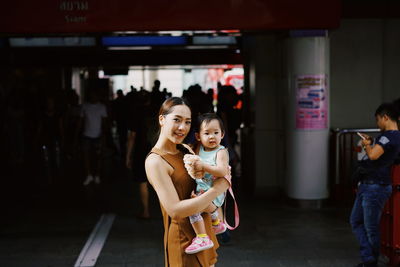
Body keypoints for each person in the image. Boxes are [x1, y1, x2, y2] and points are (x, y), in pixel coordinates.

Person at [145, 97, 230, 267]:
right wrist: (217, 189)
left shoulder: (187, 150)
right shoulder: (155, 161)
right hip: (184, 243)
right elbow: (175, 210)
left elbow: (207, 185)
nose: (182, 127)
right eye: (176, 120)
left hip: (205, 236)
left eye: (188, 122)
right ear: (162, 119)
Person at [350, 102, 400, 267]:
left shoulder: (388, 136)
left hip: (374, 187)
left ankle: (370, 262)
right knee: (356, 221)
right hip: (370, 185)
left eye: (378, 120)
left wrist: (366, 145)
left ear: (385, 117)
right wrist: (371, 143)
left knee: (370, 227)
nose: (377, 124)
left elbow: (372, 156)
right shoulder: (394, 137)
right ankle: (369, 259)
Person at [184, 113, 229, 254]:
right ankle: (216, 222)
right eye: (207, 133)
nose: (212, 137)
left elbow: (222, 171)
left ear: (222, 134)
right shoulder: (199, 149)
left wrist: (203, 165)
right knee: (195, 203)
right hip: (203, 190)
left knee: (193, 209)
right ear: (198, 136)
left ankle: (202, 238)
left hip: (215, 194)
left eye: (216, 132)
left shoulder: (221, 152)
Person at [77, 90, 108, 186]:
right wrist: (77, 134)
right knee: (86, 157)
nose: (93, 97)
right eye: (91, 95)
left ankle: (97, 175)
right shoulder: (85, 106)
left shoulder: (102, 107)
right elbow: (81, 121)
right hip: (86, 135)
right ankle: (89, 175)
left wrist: (105, 136)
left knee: (98, 157)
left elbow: (105, 123)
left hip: (98, 136)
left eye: (95, 95)